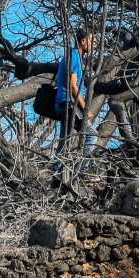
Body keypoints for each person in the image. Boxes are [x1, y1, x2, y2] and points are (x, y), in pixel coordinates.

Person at [52, 27, 96, 182]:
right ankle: (82, 172)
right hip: (68, 105)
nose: (94, 45)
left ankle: (56, 175)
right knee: (91, 136)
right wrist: (85, 108)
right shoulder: (74, 57)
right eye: (92, 41)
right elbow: (73, 86)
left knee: (64, 140)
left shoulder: (71, 56)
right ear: (83, 41)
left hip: (63, 104)